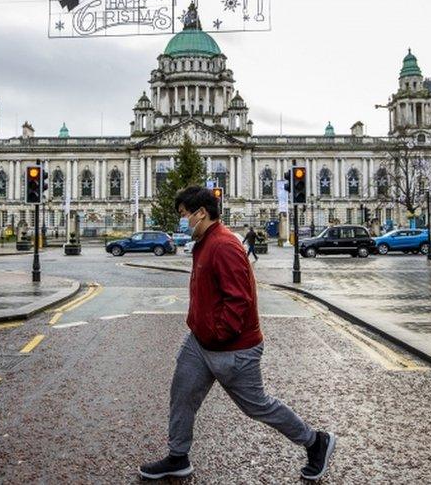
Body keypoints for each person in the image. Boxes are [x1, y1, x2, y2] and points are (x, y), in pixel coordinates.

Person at [140, 186, 335, 482]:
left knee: (257, 406)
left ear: (201, 213)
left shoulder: (224, 245)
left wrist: (219, 334)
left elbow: (238, 299)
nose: (182, 222)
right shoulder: (205, 241)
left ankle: (315, 441)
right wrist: (201, 329)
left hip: (233, 347)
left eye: (183, 215)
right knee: (182, 394)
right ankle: (178, 456)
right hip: (200, 343)